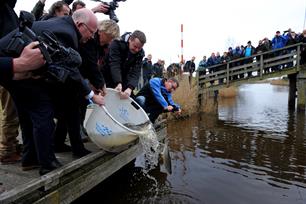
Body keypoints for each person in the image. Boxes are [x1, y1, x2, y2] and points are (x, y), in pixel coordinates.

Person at [54, 19, 120, 152]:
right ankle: (77, 148)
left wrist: (98, 83)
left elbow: (95, 67)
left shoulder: (100, 45)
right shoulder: (89, 42)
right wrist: (101, 85)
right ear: (102, 32)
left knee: (68, 114)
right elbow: (91, 66)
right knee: (73, 113)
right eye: (110, 37)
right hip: (73, 78)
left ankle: (58, 143)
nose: (110, 41)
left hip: (79, 79)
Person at [102, 30, 146, 99]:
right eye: (135, 46)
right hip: (107, 75)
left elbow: (135, 72)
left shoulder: (140, 54)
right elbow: (115, 63)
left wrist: (130, 88)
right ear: (130, 40)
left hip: (124, 78)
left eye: (139, 48)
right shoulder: (117, 43)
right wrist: (118, 82)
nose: (137, 50)